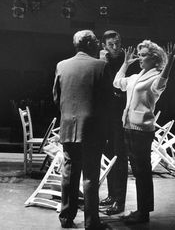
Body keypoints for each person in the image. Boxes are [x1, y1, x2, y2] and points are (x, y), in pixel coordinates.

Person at [53, 30, 112, 230]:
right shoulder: (101, 66)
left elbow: (56, 97)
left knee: (69, 175)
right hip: (92, 129)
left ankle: (66, 218)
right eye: (96, 41)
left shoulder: (61, 65)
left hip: (69, 126)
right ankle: (91, 222)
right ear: (89, 44)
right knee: (90, 176)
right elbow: (107, 101)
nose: (98, 44)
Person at [113, 40, 175, 225]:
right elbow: (117, 83)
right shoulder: (136, 76)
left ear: (155, 59)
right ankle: (142, 210)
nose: (139, 58)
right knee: (138, 172)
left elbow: (160, 86)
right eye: (139, 55)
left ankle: (143, 213)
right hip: (128, 127)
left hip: (141, 130)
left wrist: (169, 63)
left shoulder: (156, 76)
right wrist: (125, 63)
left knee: (142, 172)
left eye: (143, 55)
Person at [99, 30, 138, 215]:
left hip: (122, 118)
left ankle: (119, 202)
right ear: (104, 45)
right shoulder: (102, 61)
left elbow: (130, 85)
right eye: (111, 44)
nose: (115, 47)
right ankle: (111, 195)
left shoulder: (128, 60)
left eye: (117, 43)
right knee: (108, 158)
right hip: (106, 118)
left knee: (120, 159)